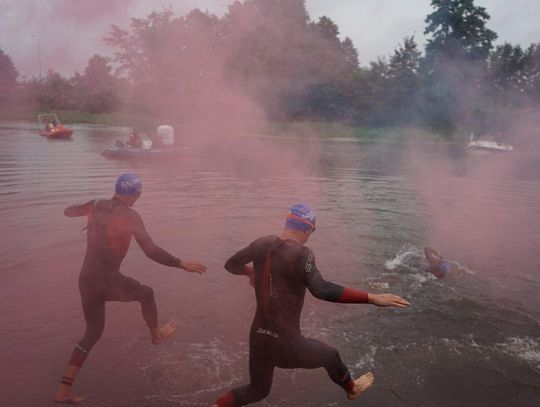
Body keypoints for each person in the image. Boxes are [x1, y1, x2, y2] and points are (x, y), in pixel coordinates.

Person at [212, 204, 410, 407]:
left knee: (257, 390)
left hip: (258, 337)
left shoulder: (261, 243)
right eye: (312, 231)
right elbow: (321, 289)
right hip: (284, 342)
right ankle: (352, 389)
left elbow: (231, 265)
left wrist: (251, 272)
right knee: (331, 356)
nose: (310, 236)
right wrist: (372, 297)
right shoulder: (302, 254)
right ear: (307, 228)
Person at [53, 173, 207, 404]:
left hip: (86, 280)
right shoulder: (131, 216)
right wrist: (181, 263)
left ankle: (63, 391)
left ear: (115, 190)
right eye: (138, 194)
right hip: (108, 282)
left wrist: (85, 209)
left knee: (92, 332)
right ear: (136, 195)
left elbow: (67, 211)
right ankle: (156, 334)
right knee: (146, 293)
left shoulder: (95, 205)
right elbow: (150, 250)